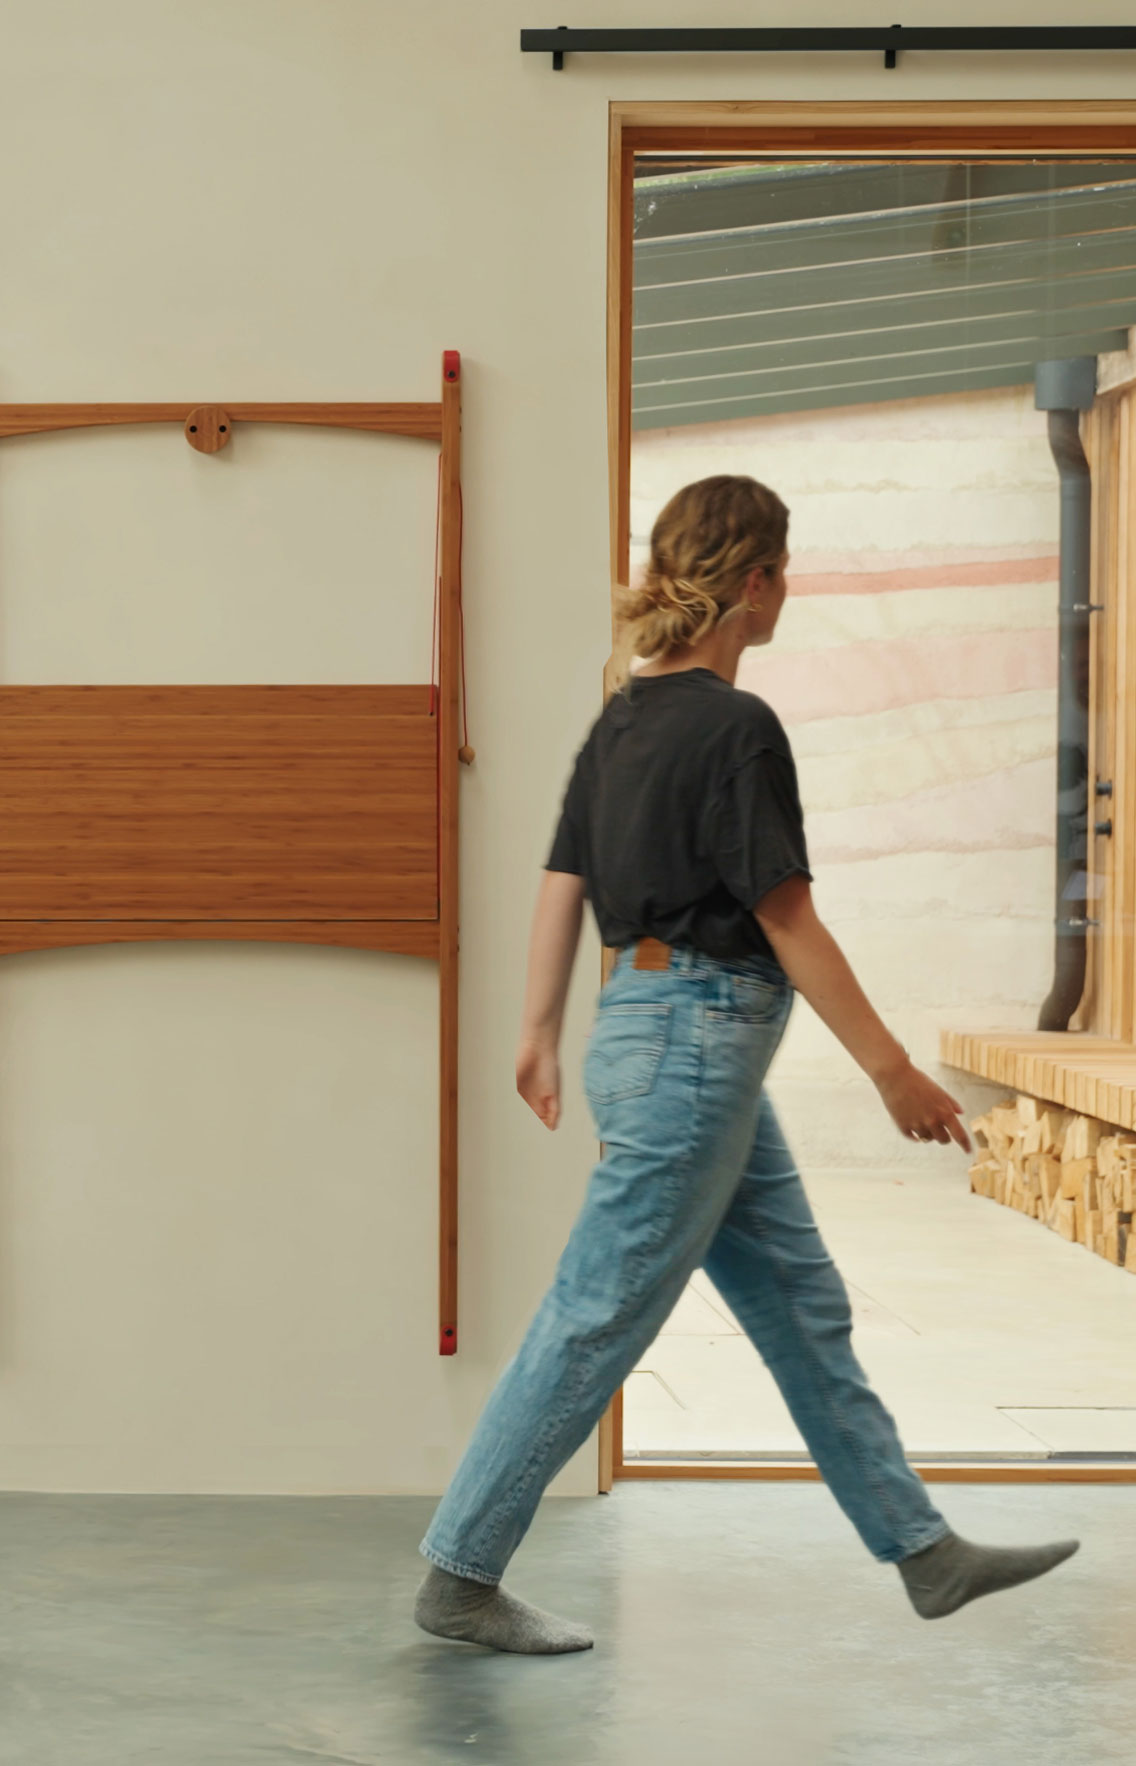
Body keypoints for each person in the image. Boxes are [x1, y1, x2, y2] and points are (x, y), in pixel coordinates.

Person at [413, 474, 1079, 1655]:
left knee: (799, 1302)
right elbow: (785, 916)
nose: (790, 589)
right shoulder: (735, 727)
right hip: (693, 1047)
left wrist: (536, 1029)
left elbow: (561, 877)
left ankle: (920, 1551)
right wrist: (890, 1072)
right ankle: (459, 1572)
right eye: (788, 568)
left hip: (651, 1034)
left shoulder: (621, 713)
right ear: (757, 582)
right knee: (595, 1312)